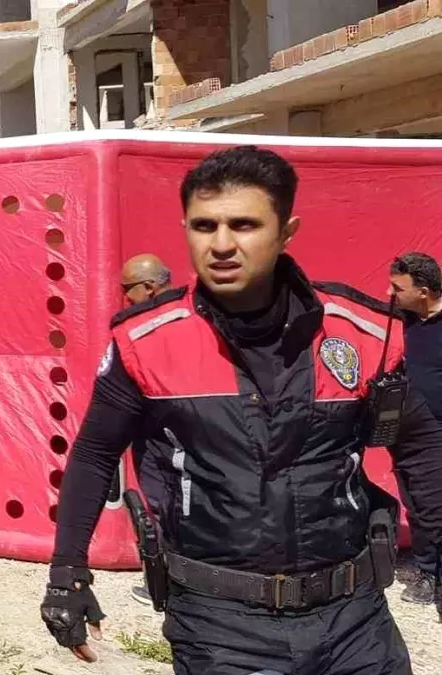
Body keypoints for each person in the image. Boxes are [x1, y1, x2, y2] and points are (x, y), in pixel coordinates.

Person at [40, 146, 442, 674]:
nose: (222, 244)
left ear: (287, 231)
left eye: (245, 224)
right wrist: (68, 572)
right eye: (204, 225)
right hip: (219, 626)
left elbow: (418, 444)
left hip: (355, 618)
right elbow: (94, 454)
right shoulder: (145, 341)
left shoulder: (359, 333)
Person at [118, 254, 173, 607]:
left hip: (162, 435)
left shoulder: (153, 326)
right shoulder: (188, 316)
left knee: (163, 505)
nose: (126, 298)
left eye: (129, 290)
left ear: (149, 287)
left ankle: (167, 585)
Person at [388, 251, 442, 605]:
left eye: (398, 288)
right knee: (416, 504)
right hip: (405, 428)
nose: (391, 294)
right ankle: (426, 572)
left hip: (437, 429)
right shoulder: (403, 319)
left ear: (423, 291)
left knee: (434, 506)